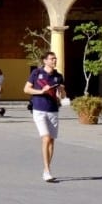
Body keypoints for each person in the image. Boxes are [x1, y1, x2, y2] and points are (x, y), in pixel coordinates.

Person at [24, 52, 65, 183]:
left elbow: (62, 96)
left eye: (55, 59)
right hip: (39, 109)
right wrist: (41, 91)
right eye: (52, 59)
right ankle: (47, 170)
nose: (54, 61)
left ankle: (46, 169)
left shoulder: (58, 76)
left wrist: (62, 91)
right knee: (46, 138)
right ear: (45, 61)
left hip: (53, 110)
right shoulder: (36, 73)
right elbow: (26, 89)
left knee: (51, 141)